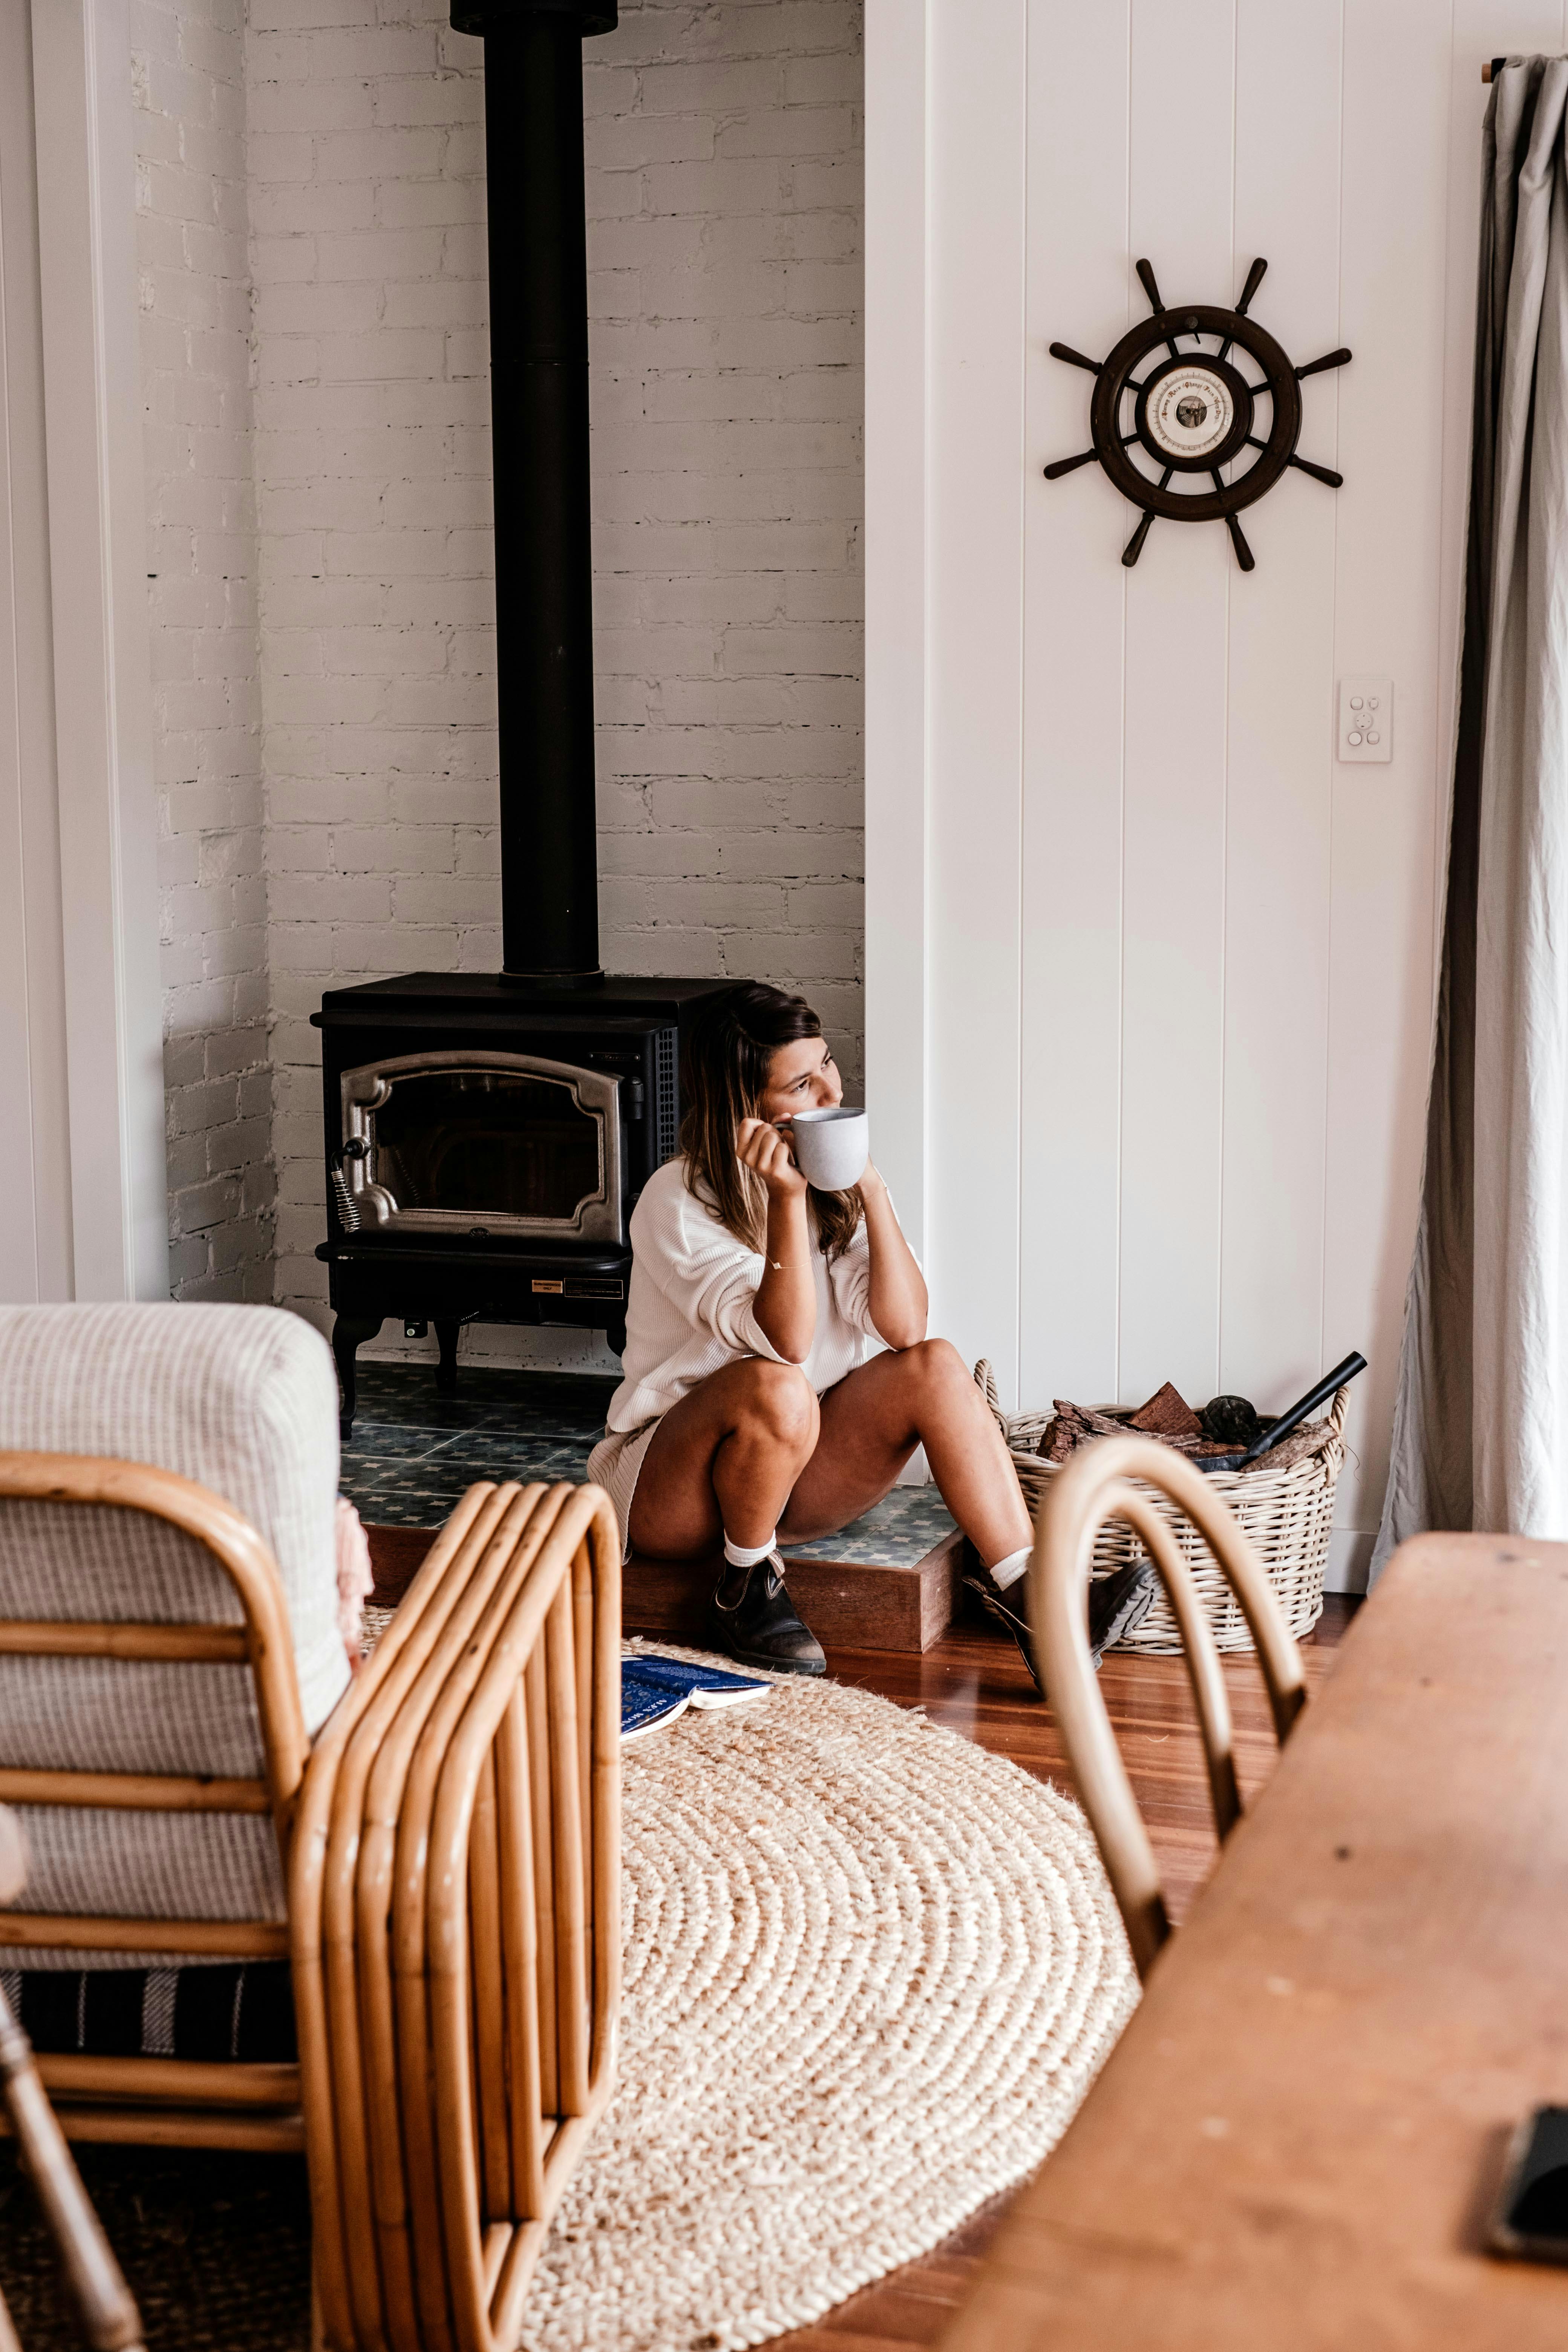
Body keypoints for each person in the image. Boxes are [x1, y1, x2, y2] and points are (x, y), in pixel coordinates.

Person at [587, 982, 1152, 1680]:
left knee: (935, 1365)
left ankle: (1038, 1601)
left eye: (826, 1063)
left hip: (794, 1472)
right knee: (777, 1385)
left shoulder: (833, 1186)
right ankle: (744, 1587)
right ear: (747, 1110)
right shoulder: (677, 1199)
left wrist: (871, 1190)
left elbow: (907, 1327)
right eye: (802, 1084)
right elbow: (787, 1343)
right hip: (673, 1493)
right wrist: (786, 1199)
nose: (832, 1091)